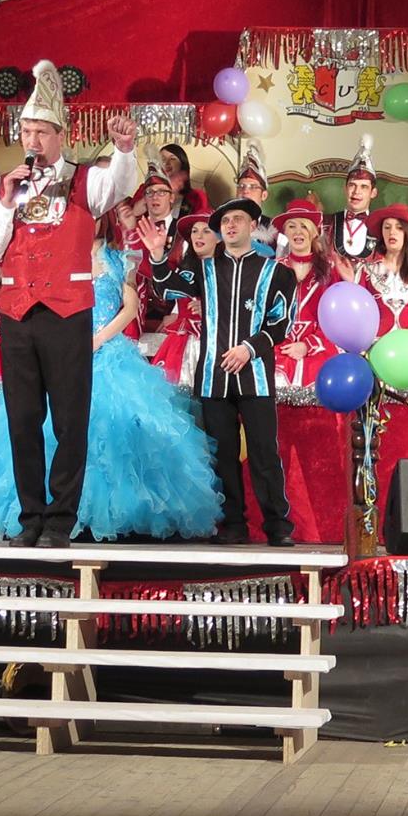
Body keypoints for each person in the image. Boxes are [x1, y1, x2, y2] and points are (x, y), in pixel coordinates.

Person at [0, 211, 221, 542]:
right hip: (59, 349)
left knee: (99, 430)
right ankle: (33, 514)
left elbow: (130, 307)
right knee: (32, 424)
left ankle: (87, 514)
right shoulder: (56, 258)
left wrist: (98, 339)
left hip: (105, 351)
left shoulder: (118, 260)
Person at [0, 59, 140, 547]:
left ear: (60, 136)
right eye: (26, 132)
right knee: (22, 420)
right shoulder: (4, 187)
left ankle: (59, 520)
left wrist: (124, 150)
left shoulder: (85, 179)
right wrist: (6, 204)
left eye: (41, 132)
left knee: (70, 419)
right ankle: (30, 517)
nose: (32, 141)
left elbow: (120, 186)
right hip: (17, 312)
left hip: (68, 311)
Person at [143, 197, 298, 545]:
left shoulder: (277, 273)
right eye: (225, 221)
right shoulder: (204, 268)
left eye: (237, 219)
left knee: (263, 453)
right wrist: (156, 255)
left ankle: (278, 527)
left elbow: (282, 323)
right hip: (213, 377)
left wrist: (248, 349)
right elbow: (167, 287)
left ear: (252, 226)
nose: (230, 226)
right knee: (222, 455)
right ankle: (234, 525)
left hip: (255, 376)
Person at [342, 203, 408, 344]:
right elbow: (357, 315)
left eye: (399, 227)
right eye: (387, 227)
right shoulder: (366, 270)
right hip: (375, 347)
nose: (392, 232)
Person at [271, 201, 339, 387]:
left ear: (314, 232)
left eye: (303, 226)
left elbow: (337, 318)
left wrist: (307, 345)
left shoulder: (330, 269)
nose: (297, 232)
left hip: (320, 348)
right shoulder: (273, 269)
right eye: (291, 226)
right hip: (280, 348)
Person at [149, 213, 214, 383]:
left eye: (206, 231)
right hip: (186, 346)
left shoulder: (233, 270)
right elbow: (167, 290)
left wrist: (211, 309)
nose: (199, 236)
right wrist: (158, 256)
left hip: (219, 345)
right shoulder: (187, 271)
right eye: (194, 231)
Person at [323, 134, 379, 260]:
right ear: (345, 188)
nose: (356, 192)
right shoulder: (327, 224)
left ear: (373, 193)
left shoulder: (381, 228)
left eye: (364, 187)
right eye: (352, 185)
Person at [159, 143, 209, 217]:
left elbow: (201, 222)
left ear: (182, 164)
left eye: (172, 159)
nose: (166, 162)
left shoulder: (197, 196)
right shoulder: (145, 191)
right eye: (162, 159)